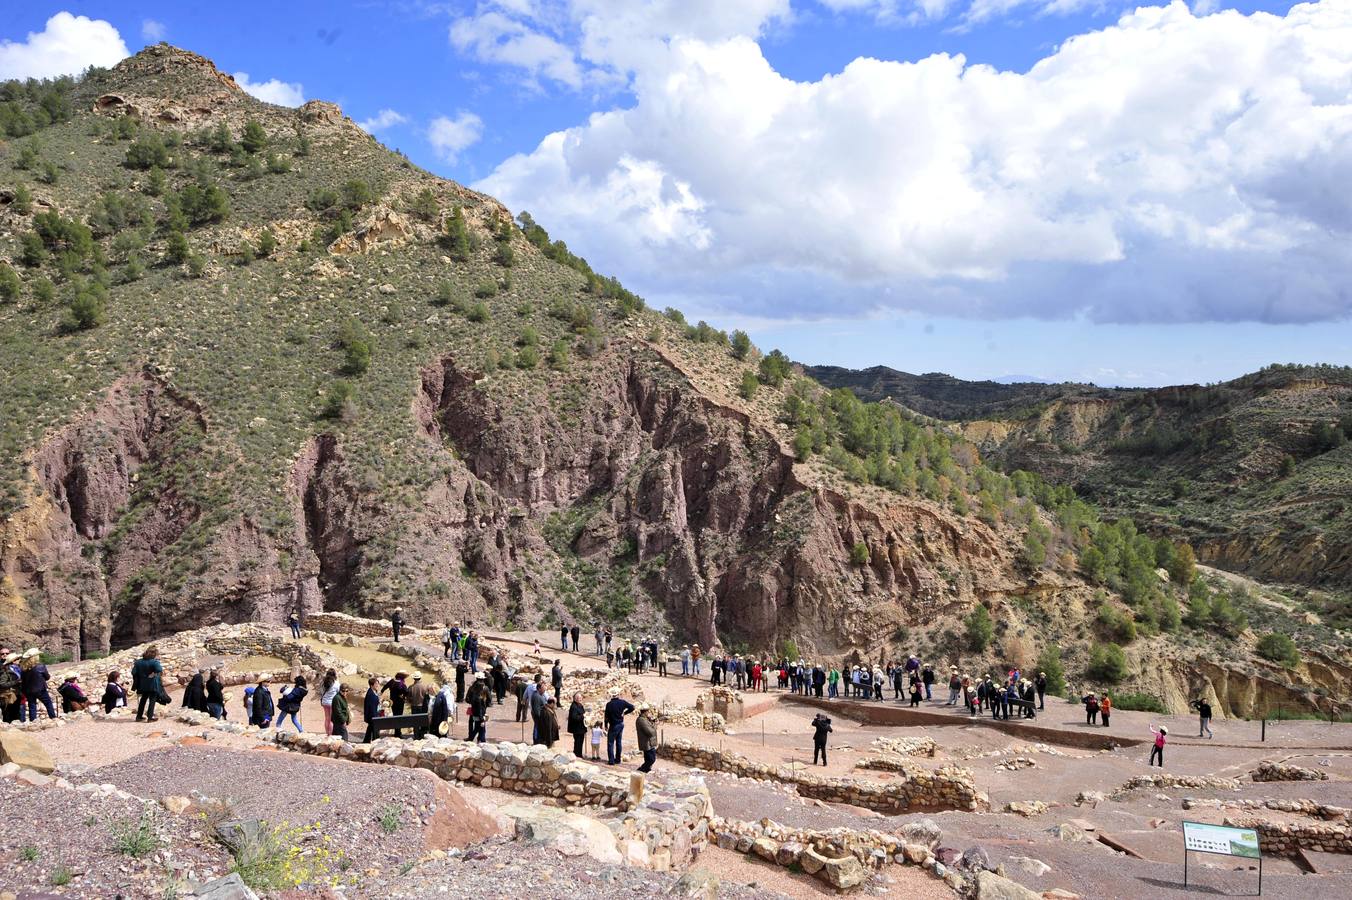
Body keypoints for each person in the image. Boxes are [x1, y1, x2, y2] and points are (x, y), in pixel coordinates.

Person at [18, 649, 56, 721]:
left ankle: (33, 721)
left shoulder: (23, 668)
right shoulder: (40, 666)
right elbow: (47, 677)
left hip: (28, 691)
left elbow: (23, 680)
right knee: (48, 703)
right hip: (40, 690)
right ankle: (53, 718)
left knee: (32, 706)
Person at [131, 645, 164, 722]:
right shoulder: (154, 662)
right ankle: (150, 717)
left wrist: (142, 676)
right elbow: (159, 669)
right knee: (152, 700)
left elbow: (133, 672)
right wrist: (152, 674)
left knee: (143, 699)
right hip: (152, 684)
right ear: (154, 654)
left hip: (142, 684)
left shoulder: (138, 662)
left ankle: (139, 716)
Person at [604, 688, 635, 765]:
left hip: (613, 725)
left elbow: (606, 716)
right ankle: (617, 759)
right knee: (618, 742)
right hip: (620, 724)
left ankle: (611, 760)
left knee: (610, 743)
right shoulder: (622, 702)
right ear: (618, 694)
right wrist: (625, 713)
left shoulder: (609, 704)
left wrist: (605, 725)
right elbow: (632, 707)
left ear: (611, 695)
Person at [382, 672, 410, 737]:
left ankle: (396, 732)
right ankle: (398, 733)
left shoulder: (392, 681)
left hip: (392, 702)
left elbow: (385, 687)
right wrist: (403, 696)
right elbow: (406, 692)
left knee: (395, 716)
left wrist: (381, 693)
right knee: (399, 717)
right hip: (400, 703)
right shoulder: (402, 684)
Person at [466, 673, 490, 743]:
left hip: (473, 708)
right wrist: (485, 706)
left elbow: (467, 699)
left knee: (472, 723)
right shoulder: (485, 688)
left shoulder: (472, 687)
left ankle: (471, 737)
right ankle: (480, 738)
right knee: (481, 723)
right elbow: (489, 699)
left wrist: (472, 703)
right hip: (482, 709)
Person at [408, 673, 432, 738]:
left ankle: (416, 736)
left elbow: (408, 699)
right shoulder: (425, 686)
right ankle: (422, 736)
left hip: (414, 706)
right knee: (423, 722)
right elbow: (428, 698)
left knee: (415, 723)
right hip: (423, 707)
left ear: (414, 678)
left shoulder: (410, 687)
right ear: (420, 678)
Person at [0, 653, 21, 723]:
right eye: (17, 659)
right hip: (8, 695)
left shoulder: (18, 669)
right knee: (8, 714)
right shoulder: (6, 671)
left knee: (16, 713)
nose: (19, 660)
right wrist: (16, 682)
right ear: (13, 661)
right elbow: (2, 684)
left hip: (16, 694)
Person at [636, 705, 658, 773]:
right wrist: (655, 725)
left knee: (648, 759)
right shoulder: (641, 720)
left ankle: (645, 770)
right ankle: (641, 769)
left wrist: (652, 721)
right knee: (652, 759)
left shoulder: (645, 719)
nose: (649, 712)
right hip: (647, 743)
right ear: (644, 712)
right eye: (647, 711)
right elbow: (650, 732)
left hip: (649, 742)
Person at [567, 693, 588, 758]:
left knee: (580, 742)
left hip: (581, 727)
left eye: (581, 697)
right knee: (578, 742)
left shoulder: (580, 705)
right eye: (579, 698)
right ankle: (577, 754)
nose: (581, 699)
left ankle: (578, 753)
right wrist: (583, 716)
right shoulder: (574, 706)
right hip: (577, 728)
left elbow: (583, 713)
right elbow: (574, 717)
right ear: (575, 699)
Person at [320, 670, 339, 735]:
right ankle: (330, 734)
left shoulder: (323, 682)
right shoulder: (336, 683)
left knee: (327, 718)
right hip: (332, 703)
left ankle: (327, 733)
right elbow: (338, 692)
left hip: (325, 702)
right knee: (331, 719)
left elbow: (321, 692)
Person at [363, 677, 381, 742]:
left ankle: (366, 742)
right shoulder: (370, 694)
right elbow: (371, 708)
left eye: (378, 684)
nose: (377, 685)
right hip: (372, 716)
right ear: (371, 685)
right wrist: (375, 717)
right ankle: (375, 742)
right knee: (374, 730)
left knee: (370, 729)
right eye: (376, 684)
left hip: (373, 714)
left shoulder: (373, 691)